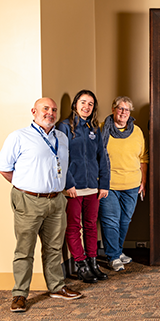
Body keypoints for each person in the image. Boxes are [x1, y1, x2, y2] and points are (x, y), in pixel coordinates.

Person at [0, 98, 82, 312]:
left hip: (56, 201)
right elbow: (6, 169)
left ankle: (56, 287)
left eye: (53, 110)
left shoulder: (62, 137)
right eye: (45, 109)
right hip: (29, 201)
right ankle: (19, 295)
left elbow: (61, 167)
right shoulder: (18, 137)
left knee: (54, 247)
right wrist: (29, 187)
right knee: (24, 249)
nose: (50, 113)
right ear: (34, 111)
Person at [57, 90, 110, 284]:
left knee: (90, 226)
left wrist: (103, 184)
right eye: (83, 102)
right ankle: (81, 265)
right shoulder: (64, 127)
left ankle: (93, 263)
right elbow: (61, 158)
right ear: (75, 104)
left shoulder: (94, 128)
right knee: (73, 227)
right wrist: (68, 183)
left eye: (90, 104)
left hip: (93, 188)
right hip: (73, 188)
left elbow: (102, 157)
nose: (86, 107)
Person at [100, 96, 148, 272]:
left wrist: (143, 181)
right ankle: (113, 256)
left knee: (124, 220)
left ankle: (117, 251)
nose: (123, 112)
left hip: (132, 184)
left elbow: (143, 157)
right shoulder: (102, 129)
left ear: (130, 113)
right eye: (120, 108)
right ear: (113, 109)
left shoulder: (137, 132)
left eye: (126, 110)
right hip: (109, 184)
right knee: (111, 220)